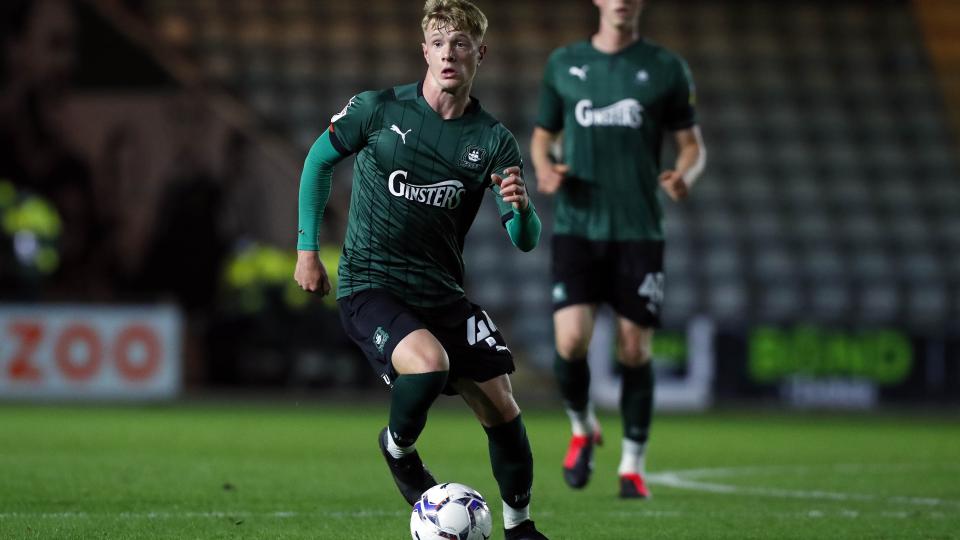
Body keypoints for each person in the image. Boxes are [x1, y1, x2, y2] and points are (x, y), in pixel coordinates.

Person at [294, 1, 548, 538]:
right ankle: (398, 448)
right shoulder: (378, 110)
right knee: (428, 364)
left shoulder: (493, 141)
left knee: (502, 406)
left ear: (481, 53)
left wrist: (523, 210)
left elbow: (523, 241)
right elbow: (318, 161)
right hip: (372, 284)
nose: (449, 53)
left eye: (461, 43)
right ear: (424, 51)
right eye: (439, 42)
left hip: (442, 292)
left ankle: (519, 526)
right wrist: (307, 251)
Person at [531, 0, 706, 499]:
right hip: (578, 226)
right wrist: (544, 167)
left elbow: (691, 144)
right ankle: (582, 426)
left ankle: (632, 465)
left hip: (638, 231)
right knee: (570, 343)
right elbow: (543, 137)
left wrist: (684, 174)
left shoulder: (667, 67)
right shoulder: (564, 64)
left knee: (634, 349)